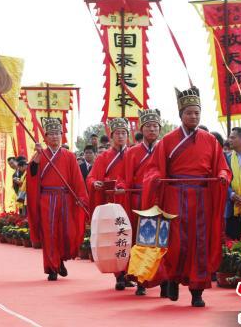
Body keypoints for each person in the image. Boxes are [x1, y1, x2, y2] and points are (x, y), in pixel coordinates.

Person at [142, 86, 231, 307]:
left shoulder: (210, 140)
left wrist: (221, 176)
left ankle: (197, 291)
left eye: (197, 113)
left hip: (202, 196)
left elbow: (222, 167)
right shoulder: (168, 140)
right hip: (175, 195)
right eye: (189, 112)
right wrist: (154, 178)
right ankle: (173, 277)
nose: (193, 116)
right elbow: (154, 168)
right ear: (181, 114)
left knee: (199, 243)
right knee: (176, 242)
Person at [26, 118, 88, 281]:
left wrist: (81, 196)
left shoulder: (69, 156)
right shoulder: (40, 155)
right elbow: (32, 173)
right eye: (51, 134)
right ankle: (51, 267)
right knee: (49, 233)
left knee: (65, 232)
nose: (54, 137)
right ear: (45, 137)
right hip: (47, 198)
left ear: (62, 136)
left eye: (57, 134)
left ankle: (60, 261)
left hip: (65, 199)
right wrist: (38, 157)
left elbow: (77, 179)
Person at [117, 109, 162, 296]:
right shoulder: (132, 152)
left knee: (159, 240)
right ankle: (140, 280)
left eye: (155, 126)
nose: (152, 129)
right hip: (138, 199)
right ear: (142, 129)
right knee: (139, 240)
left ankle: (161, 278)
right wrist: (120, 186)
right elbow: (123, 176)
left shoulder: (164, 148)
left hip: (159, 199)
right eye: (148, 126)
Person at [86, 118, 131, 290]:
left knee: (129, 236)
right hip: (111, 202)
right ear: (111, 136)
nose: (120, 136)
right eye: (117, 133)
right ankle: (119, 274)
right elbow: (91, 177)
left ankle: (129, 272)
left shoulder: (133, 154)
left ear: (127, 136)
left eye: (123, 133)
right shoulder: (103, 156)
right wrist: (94, 184)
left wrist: (124, 186)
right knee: (116, 237)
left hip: (127, 199)